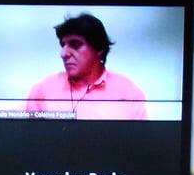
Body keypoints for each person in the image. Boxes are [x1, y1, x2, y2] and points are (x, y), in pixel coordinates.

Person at [21, 12, 149, 119]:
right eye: (63, 45)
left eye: (75, 44)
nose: (63, 53)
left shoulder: (128, 93)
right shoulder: (43, 90)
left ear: (98, 49)